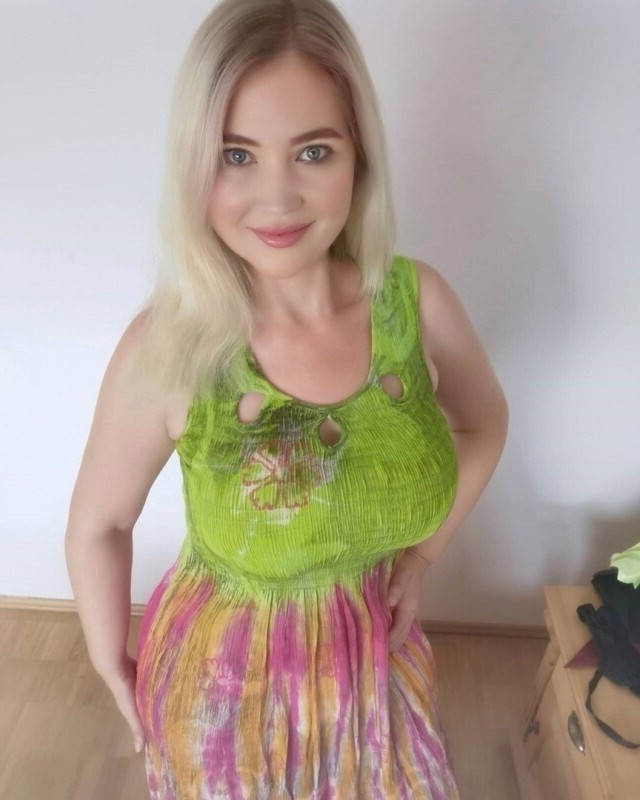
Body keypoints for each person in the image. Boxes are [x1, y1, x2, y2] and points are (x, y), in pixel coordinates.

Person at [64, 0, 509, 797]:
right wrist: (108, 660)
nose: (277, 197)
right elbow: (100, 524)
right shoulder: (171, 350)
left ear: (359, 157)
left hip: (378, 666)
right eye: (236, 155)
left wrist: (421, 557)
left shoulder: (417, 306)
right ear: (194, 163)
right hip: (224, 703)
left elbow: (484, 422)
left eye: (312, 151)